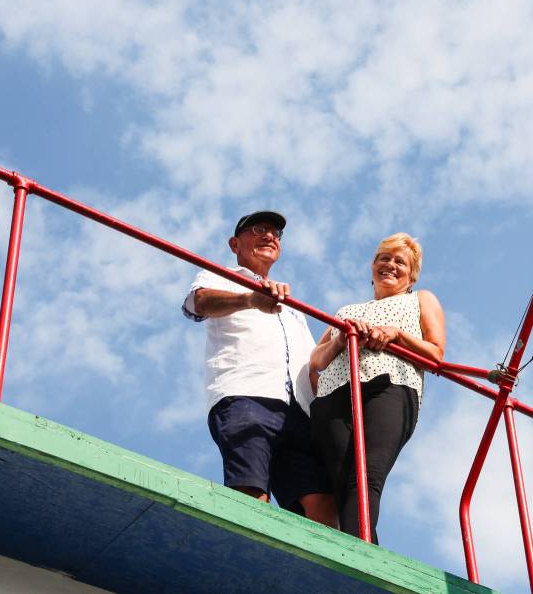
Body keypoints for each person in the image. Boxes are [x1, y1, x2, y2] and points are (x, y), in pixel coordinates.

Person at [182, 210, 336, 526]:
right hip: (246, 395)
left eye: (276, 234)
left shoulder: (293, 308)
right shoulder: (219, 275)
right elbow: (197, 304)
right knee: (251, 494)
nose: (270, 236)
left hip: (298, 410)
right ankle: (249, 566)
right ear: (234, 243)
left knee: (322, 505)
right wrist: (250, 299)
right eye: (259, 229)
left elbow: (312, 365)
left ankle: (310, 574)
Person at [308, 232, 446, 542]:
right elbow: (315, 362)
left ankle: (362, 553)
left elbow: (436, 354)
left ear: (411, 276)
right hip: (334, 395)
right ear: (372, 266)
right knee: (343, 481)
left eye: (400, 261)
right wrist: (341, 340)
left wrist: (397, 336)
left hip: (390, 387)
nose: (391, 265)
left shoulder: (420, 300)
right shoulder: (346, 311)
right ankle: (358, 551)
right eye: (384, 258)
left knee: (367, 476)